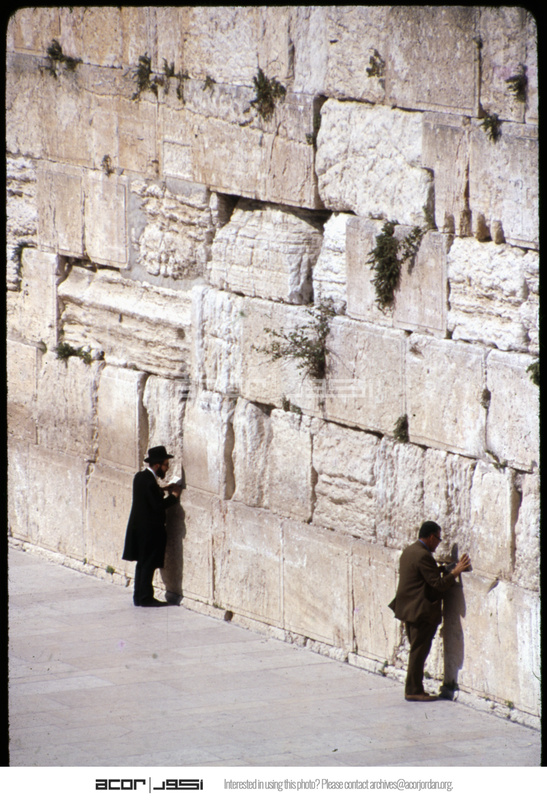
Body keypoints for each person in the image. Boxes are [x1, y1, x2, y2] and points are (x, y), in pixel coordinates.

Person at [388, 521, 471, 701]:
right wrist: (455, 572)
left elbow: (423, 574)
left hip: (408, 609)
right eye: (438, 539)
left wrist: (443, 569)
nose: (438, 543)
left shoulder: (410, 551)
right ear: (432, 537)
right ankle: (413, 690)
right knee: (418, 652)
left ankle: (414, 688)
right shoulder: (423, 555)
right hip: (421, 612)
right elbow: (438, 584)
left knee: (416, 651)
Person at [122, 446, 181, 607]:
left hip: (139, 529)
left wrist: (162, 489)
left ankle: (139, 596)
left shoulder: (141, 477)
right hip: (149, 531)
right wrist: (174, 496)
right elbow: (158, 506)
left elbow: (148, 493)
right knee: (148, 564)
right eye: (166, 465)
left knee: (142, 563)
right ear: (157, 465)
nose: (167, 468)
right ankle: (146, 598)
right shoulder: (149, 483)